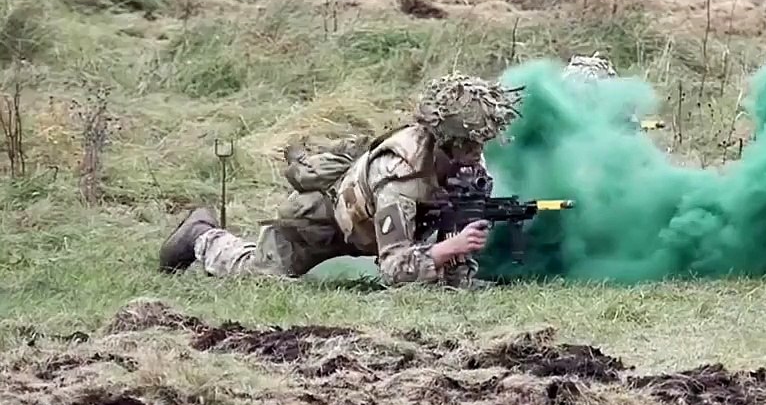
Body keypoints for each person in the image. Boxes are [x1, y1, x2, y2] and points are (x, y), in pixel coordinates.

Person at [157, 73, 522, 288]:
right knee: (258, 274)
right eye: (470, 143)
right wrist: (445, 251)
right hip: (325, 221)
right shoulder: (400, 173)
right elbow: (394, 268)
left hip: (373, 229)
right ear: (448, 140)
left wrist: (457, 262)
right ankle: (203, 236)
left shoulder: (465, 163)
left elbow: (451, 223)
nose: (477, 153)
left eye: (481, 143)